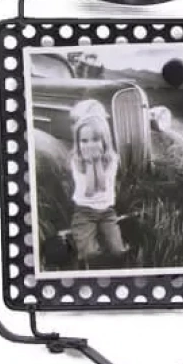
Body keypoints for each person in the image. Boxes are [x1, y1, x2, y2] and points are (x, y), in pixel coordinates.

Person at [67, 100, 131, 265]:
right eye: (84, 141)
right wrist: (90, 163)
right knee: (89, 254)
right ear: (78, 143)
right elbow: (89, 191)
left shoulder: (111, 159)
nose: (89, 145)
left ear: (105, 141)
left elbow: (102, 187)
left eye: (95, 140)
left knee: (118, 251)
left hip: (107, 212)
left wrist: (97, 162)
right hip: (84, 212)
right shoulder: (76, 160)